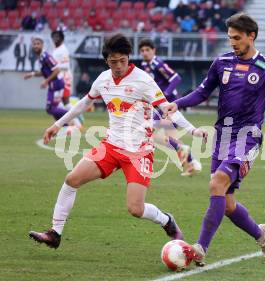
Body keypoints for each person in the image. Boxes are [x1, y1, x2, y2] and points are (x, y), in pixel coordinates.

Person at [28, 34, 208, 249]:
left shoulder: (142, 80)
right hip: (111, 146)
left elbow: (167, 108)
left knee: (135, 208)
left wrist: (192, 130)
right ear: (107, 61)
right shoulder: (103, 79)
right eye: (114, 62)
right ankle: (54, 233)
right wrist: (57, 124)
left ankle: (166, 220)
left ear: (128, 58)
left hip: (139, 152)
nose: (119, 66)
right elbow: (84, 103)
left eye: (123, 60)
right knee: (71, 180)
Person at [163, 13, 265, 265]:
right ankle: (262, 237)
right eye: (230, 38)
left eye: (237, 38)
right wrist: (177, 103)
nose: (233, 43)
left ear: (252, 36)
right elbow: (202, 92)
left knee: (217, 184)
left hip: (248, 138)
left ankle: (201, 248)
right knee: (226, 203)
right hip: (221, 137)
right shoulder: (221, 62)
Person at [138, 39, 202, 176]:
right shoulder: (145, 64)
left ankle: (142, 160)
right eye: (142, 51)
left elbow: (176, 78)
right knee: (168, 137)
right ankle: (193, 162)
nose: (145, 53)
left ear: (153, 50)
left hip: (167, 104)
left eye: (147, 50)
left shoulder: (157, 63)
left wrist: (165, 94)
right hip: (160, 104)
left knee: (148, 131)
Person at [23, 37, 81, 129]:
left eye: (38, 44)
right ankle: (66, 127)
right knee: (52, 109)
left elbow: (57, 70)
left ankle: (72, 117)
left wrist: (46, 81)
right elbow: (45, 72)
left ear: (42, 45)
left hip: (57, 84)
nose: (36, 46)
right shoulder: (41, 58)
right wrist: (32, 74)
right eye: (34, 44)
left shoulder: (46, 56)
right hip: (53, 85)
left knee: (50, 108)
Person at [51, 30, 73, 106]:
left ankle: (77, 117)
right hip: (58, 77)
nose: (55, 38)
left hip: (64, 77)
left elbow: (66, 66)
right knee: (62, 101)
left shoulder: (63, 50)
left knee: (61, 100)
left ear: (62, 39)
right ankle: (76, 117)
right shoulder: (55, 49)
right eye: (54, 36)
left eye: (57, 36)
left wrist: (53, 68)